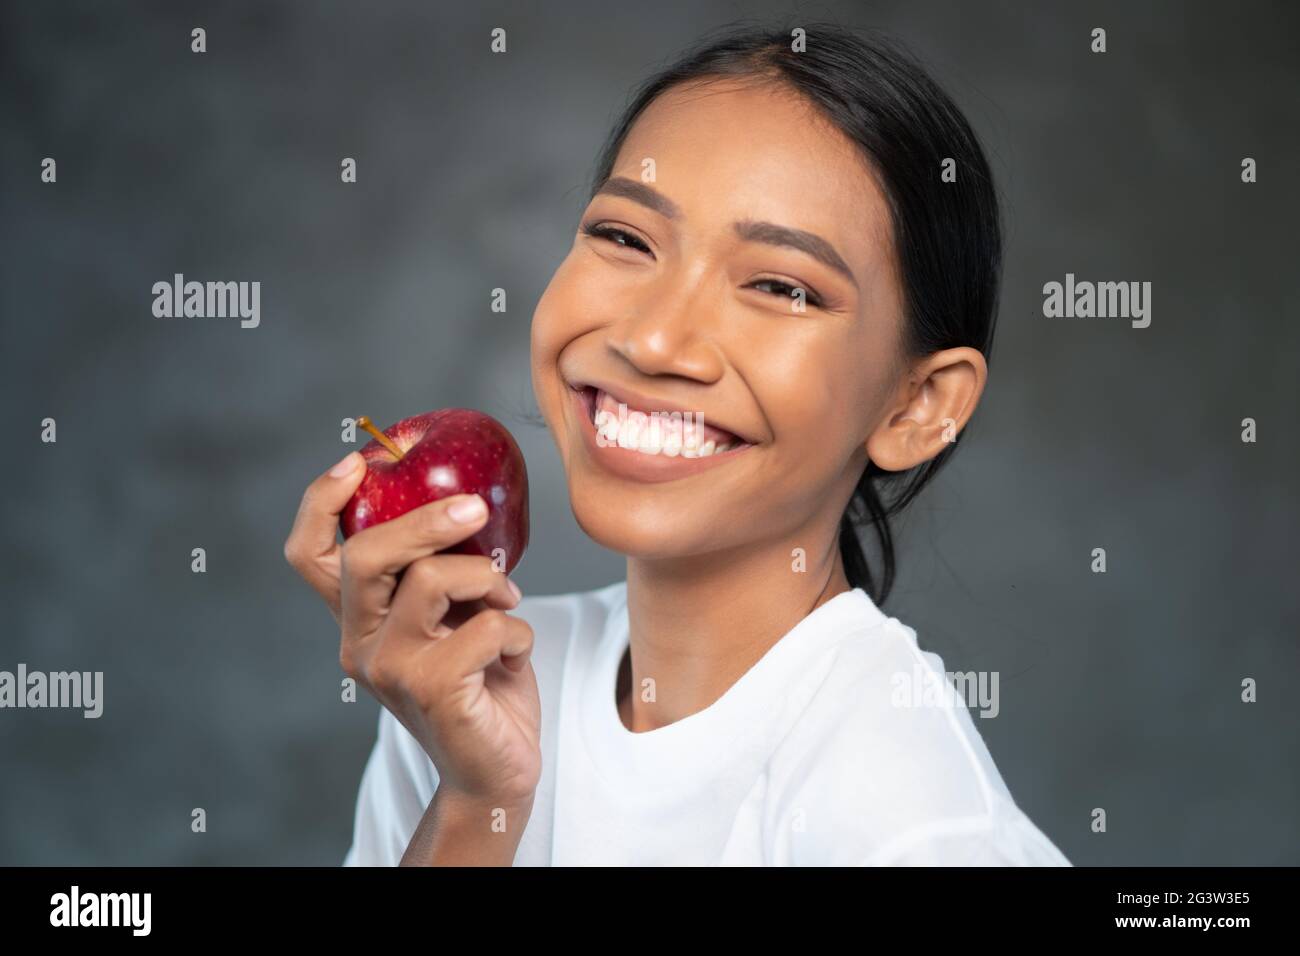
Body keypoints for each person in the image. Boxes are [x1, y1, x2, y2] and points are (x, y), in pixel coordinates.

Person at [285, 21, 1071, 866]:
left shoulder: (902, 811)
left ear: (918, 405)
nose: (654, 341)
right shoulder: (461, 689)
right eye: (626, 239)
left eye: (779, 286)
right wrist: (480, 799)